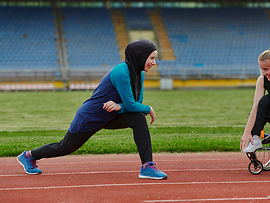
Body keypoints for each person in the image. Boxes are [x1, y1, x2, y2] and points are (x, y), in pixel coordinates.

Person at [17, 39, 167, 180]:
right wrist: (149, 108)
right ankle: (29, 156)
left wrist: (120, 106)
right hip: (90, 117)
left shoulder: (139, 74)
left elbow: (136, 103)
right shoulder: (121, 72)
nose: (154, 63)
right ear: (140, 57)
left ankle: (147, 166)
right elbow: (134, 105)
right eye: (151, 58)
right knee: (65, 147)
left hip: (111, 115)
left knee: (139, 118)